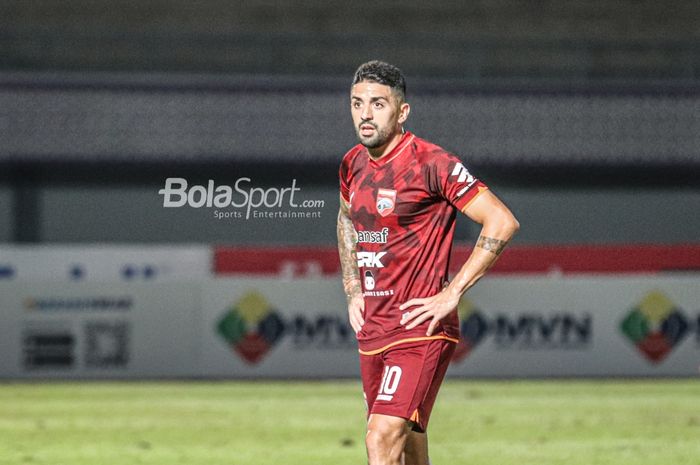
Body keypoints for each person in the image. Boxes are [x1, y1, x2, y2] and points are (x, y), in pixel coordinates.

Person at [337, 60, 519, 465]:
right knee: (409, 445)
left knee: (381, 437)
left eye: (378, 104)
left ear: (402, 112)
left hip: (421, 326)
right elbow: (346, 217)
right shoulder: (353, 163)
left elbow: (501, 220)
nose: (365, 114)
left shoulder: (432, 163)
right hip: (374, 327)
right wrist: (352, 289)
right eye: (357, 103)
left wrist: (451, 293)